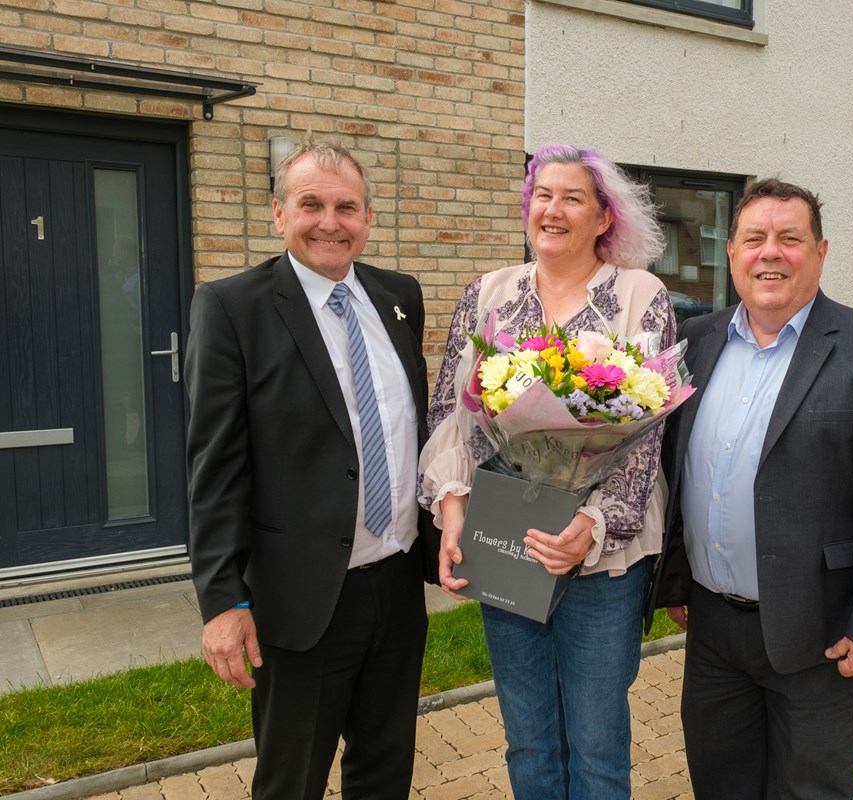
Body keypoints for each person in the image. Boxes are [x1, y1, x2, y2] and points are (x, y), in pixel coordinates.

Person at [650, 178, 853, 799]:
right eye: (754, 238)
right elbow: (675, 474)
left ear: (822, 251)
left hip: (823, 636)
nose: (770, 253)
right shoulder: (693, 346)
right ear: (731, 252)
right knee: (720, 786)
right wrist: (678, 573)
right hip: (713, 632)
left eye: (790, 238)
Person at [418, 143, 672, 800]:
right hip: (506, 544)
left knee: (595, 747)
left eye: (572, 197)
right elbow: (453, 412)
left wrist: (588, 527)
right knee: (529, 739)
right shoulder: (489, 294)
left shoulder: (638, 295)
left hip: (599, 562)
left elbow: (644, 438)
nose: (552, 210)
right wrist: (453, 517)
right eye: (542, 195)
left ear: (603, 217)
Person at [185, 138, 436, 800]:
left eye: (346, 206)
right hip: (300, 602)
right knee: (291, 781)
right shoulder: (232, 308)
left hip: (399, 586)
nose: (330, 221)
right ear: (277, 213)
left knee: (385, 771)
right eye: (311, 204)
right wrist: (222, 600)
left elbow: (416, 430)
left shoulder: (399, 297)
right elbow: (214, 469)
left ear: (368, 217)